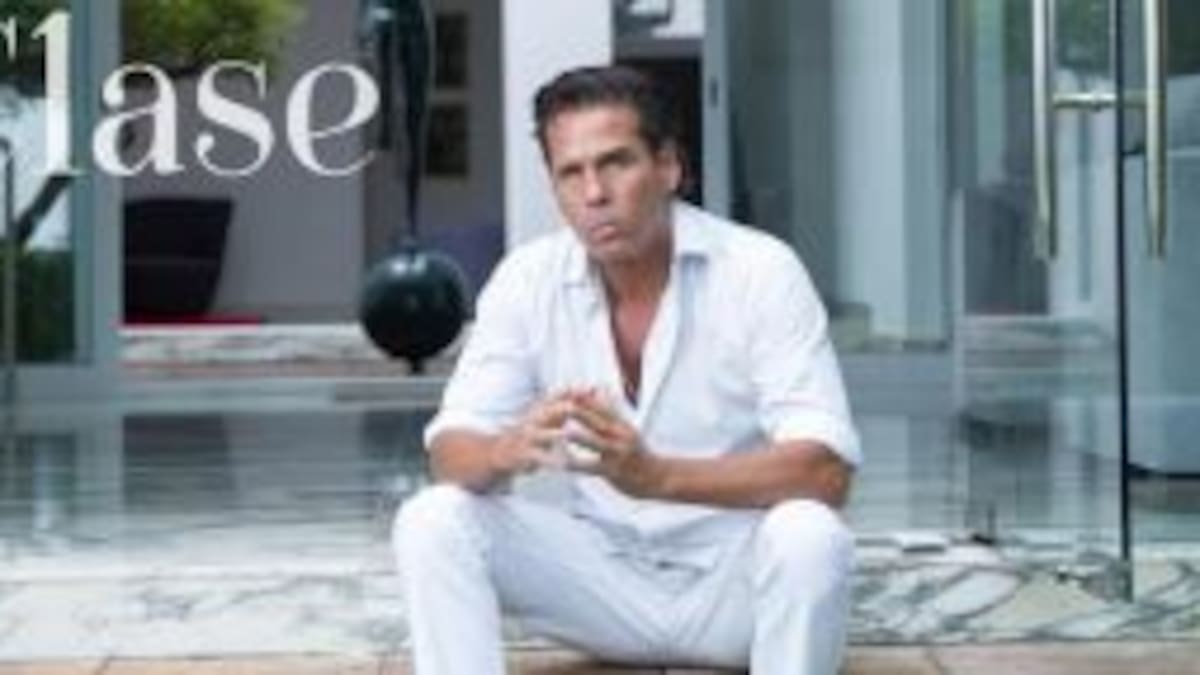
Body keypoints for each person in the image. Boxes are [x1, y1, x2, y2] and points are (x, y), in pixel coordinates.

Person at [393, 64, 860, 675]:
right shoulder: (527, 279)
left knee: (809, 534)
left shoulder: (760, 271)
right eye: (571, 173)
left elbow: (825, 470)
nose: (593, 194)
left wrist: (657, 476)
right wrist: (504, 449)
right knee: (431, 520)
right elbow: (449, 454)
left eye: (615, 163)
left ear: (669, 166)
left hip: (734, 586)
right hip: (602, 585)